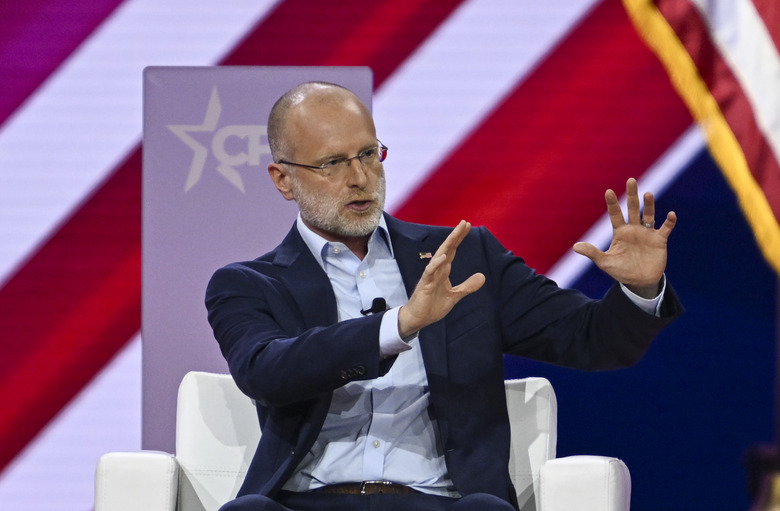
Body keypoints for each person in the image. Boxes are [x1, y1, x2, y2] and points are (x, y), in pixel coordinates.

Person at [205, 81, 682, 511]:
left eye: (369, 154)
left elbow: (591, 340)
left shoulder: (466, 257)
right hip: (304, 501)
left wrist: (638, 289)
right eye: (333, 163)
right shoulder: (247, 285)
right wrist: (400, 325)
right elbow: (266, 371)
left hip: (441, 503)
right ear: (283, 179)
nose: (360, 177)